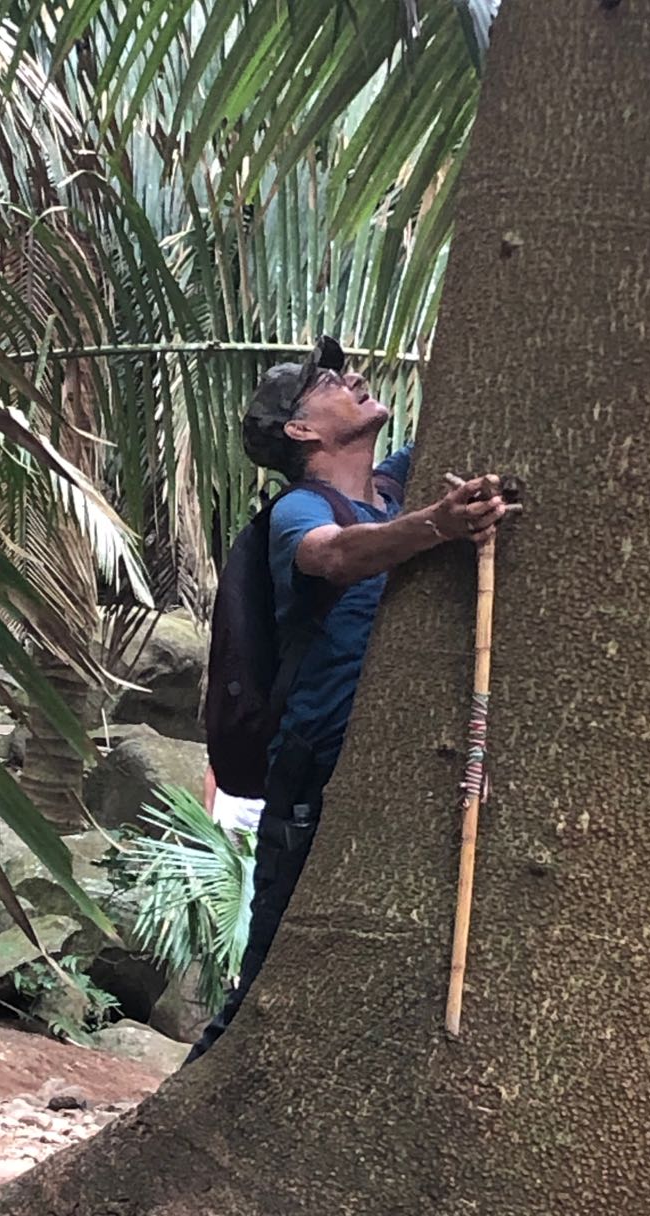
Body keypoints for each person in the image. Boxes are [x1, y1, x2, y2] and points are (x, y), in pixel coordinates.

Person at [184, 337, 510, 1063]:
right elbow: (332, 555)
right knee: (270, 963)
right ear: (301, 431)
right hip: (312, 761)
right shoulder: (301, 508)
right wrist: (441, 526)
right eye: (331, 381)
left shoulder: (393, 489)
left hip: (388, 759)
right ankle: (194, 1094)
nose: (355, 377)